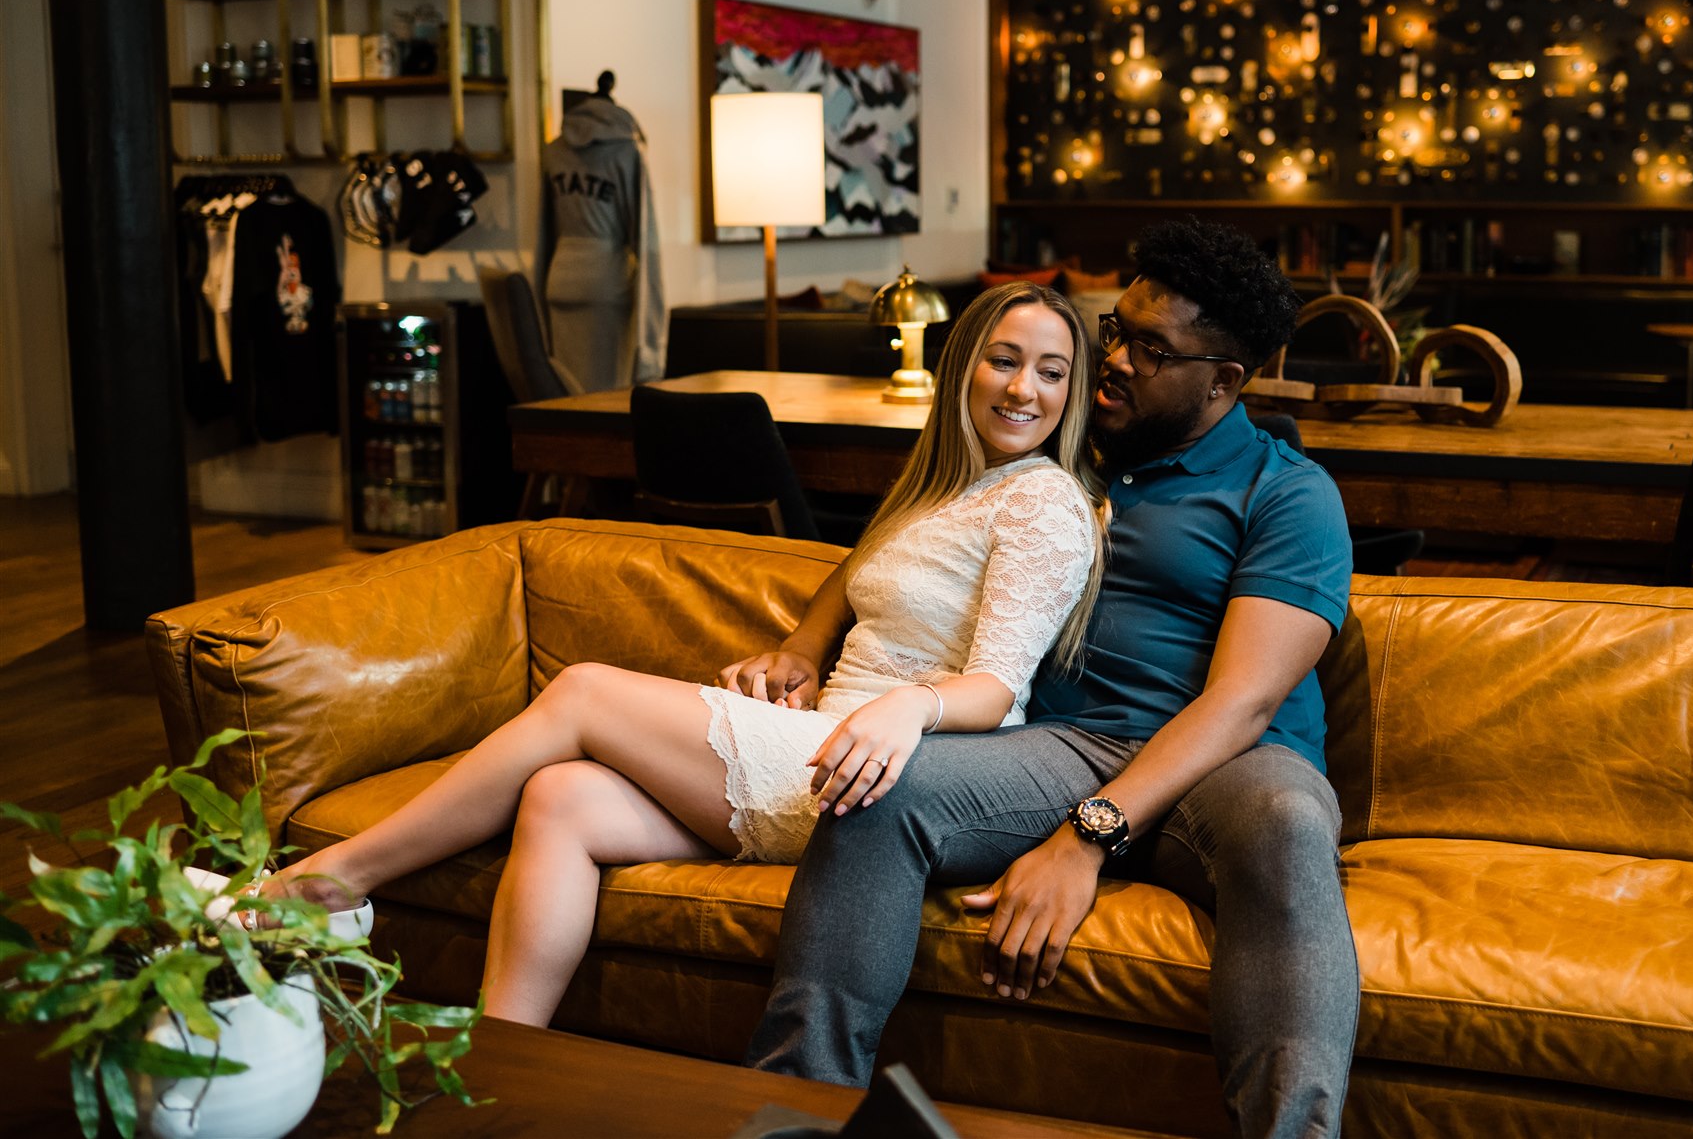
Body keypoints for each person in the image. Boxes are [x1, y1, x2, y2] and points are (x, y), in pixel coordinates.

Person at [263, 281, 1104, 1027]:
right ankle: (502, 1056)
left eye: (1051, 370)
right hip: (824, 731)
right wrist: (802, 648)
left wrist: (911, 704)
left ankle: (331, 879)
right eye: (1003, 359)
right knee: (559, 798)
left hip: (881, 775)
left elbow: (996, 689)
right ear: (964, 367)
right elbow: (857, 570)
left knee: (586, 691)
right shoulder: (943, 483)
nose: (1025, 388)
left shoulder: (1043, 502)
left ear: (1074, 390)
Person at [745, 221, 1358, 1139]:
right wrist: (806, 635)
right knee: (878, 788)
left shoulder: (1288, 493)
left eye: (1150, 349)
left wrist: (1087, 839)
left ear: (1223, 381)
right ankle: (800, 1108)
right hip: (1062, 745)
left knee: (1287, 821)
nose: (1111, 358)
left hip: (1228, 769)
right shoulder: (1062, 448)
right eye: (1117, 327)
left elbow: (1243, 702)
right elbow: (917, 524)